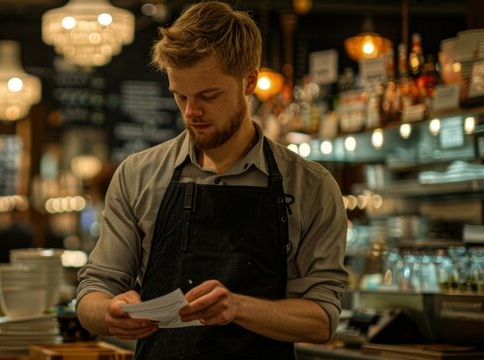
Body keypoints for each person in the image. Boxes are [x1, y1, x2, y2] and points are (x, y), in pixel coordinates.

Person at [75, 2, 348, 359]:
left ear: (249, 80)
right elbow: (93, 292)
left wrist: (237, 307)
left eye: (208, 96)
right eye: (180, 95)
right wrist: (108, 313)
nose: (191, 112)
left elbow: (322, 318)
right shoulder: (138, 175)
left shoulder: (311, 186)